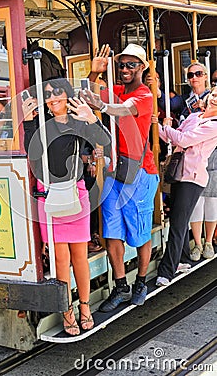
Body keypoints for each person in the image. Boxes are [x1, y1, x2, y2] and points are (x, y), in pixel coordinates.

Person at [22, 77, 111, 336]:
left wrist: (92, 118)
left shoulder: (79, 122)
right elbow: (32, 153)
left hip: (76, 193)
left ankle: (85, 307)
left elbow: (105, 141)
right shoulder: (42, 126)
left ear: (68, 96)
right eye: (49, 93)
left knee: (79, 256)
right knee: (60, 259)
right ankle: (66, 310)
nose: (53, 97)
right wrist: (28, 121)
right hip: (50, 196)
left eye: (58, 92)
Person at [84, 43, 159, 309]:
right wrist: (94, 74)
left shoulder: (144, 95)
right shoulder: (116, 91)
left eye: (131, 65)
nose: (125, 69)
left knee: (139, 232)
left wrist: (102, 105)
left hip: (140, 172)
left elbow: (122, 109)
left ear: (142, 67)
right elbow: (88, 95)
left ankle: (140, 282)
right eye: (121, 65)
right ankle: (120, 286)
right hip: (114, 172)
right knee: (112, 231)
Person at [153, 86, 217, 286]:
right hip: (179, 174)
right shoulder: (195, 116)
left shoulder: (214, 125)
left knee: (179, 225)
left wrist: (163, 127)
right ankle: (183, 260)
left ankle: (167, 271)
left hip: (193, 177)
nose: (215, 99)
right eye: (214, 95)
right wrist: (161, 128)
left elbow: (183, 138)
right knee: (177, 221)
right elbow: (173, 138)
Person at [189, 147, 217, 261]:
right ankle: (197, 244)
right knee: (196, 203)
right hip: (196, 161)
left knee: (212, 202)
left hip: (215, 161)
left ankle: (208, 242)